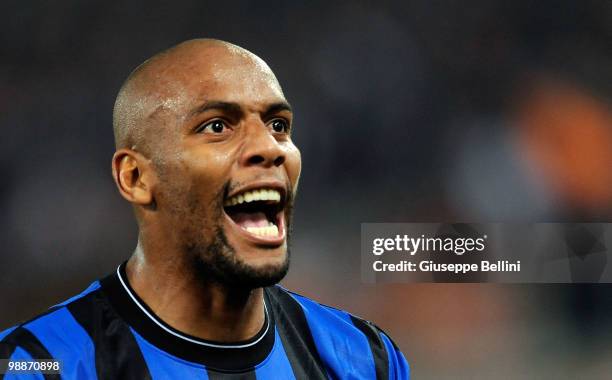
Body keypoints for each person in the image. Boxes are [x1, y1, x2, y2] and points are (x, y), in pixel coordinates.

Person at [0, 39, 410, 379]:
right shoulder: (36, 363)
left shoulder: (364, 359)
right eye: (217, 126)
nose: (269, 148)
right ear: (136, 178)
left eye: (278, 125)